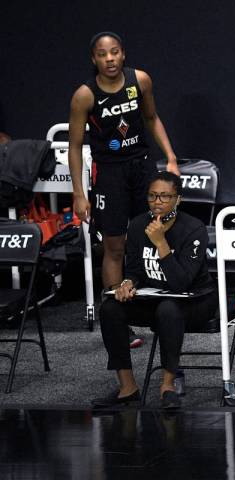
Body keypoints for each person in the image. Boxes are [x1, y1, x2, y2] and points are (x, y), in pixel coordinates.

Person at [68, 32, 180, 348]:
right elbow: (75, 146)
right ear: (94, 60)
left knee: (155, 235)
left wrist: (170, 157)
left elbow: (152, 118)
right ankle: (119, 321)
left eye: (114, 52)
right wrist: (79, 193)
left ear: (123, 54)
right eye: (103, 54)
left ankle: (161, 312)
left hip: (142, 166)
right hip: (110, 174)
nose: (110, 59)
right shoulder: (85, 96)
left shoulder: (140, 81)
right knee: (115, 246)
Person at [92, 171, 216, 409]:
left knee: (169, 309)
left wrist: (161, 243)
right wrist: (128, 283)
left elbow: (182, 283)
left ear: (177, 199)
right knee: (111, 308)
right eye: (152, 196)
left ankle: (167, 386)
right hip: (154, 298)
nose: (157, 202)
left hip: (195, 301)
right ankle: (127, 387)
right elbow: (137, 270)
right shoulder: (139, 225)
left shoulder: (194, 229)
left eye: (165, 197)